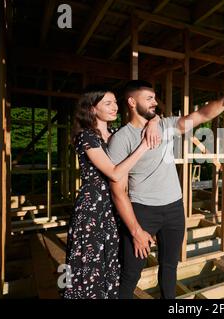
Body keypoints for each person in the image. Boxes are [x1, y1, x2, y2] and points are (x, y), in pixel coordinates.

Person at [107, 79, 224, 299]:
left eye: (154, 98)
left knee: (169, 268)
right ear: (132, 102)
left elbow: (202, 115)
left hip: (174, 209)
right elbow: (117, 192)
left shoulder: (165, 126)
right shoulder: (121, 139)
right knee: (131, 273)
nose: (154, 103)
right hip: (142, 212)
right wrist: (135, 230)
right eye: (148, 98)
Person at [64, 86, 161, 299]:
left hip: (116, 206)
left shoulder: (117, 134)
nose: (115, 107)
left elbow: (152, 118)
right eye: (107, 103)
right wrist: (144, 145)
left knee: (112, 262)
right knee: (89, 265)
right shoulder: (86, 138)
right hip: (93, 209)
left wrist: (153, 121)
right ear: (91, 109)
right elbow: (115, 173)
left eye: (115, 102)